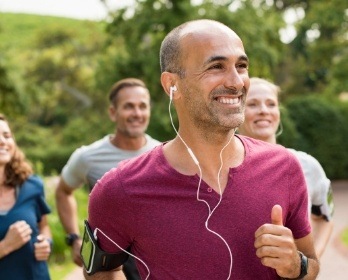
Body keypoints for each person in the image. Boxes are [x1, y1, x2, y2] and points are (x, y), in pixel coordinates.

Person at [84, 19, 319, 279]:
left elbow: (313, 265)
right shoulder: (120, 188)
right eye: (216, 67)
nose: (236, 81)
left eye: (241, 66)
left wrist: (297, 266)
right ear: (171, 85)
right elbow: (99, 274)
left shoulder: (284, 167)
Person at [55, 78, 160, 279]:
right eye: (129, 107)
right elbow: (63, 192)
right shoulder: (88, 157)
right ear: (113, 112)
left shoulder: (162, 155)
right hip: (108, 267)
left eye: (142, 106)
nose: (137, 114)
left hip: (152, 265)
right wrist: (74, 238)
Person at [238, 77, 334, 258]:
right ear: (238, 112)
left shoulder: (307, 165)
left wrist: (307, 265)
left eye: (271, 104)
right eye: (252, 104)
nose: (264, 111)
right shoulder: (221, 169)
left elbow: (325, 218)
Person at [0, 114, 52, 279]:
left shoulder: (32, 185)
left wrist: (46, 242)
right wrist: (5, 246)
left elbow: (43, 226)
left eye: (7, 135)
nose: (3, 141)